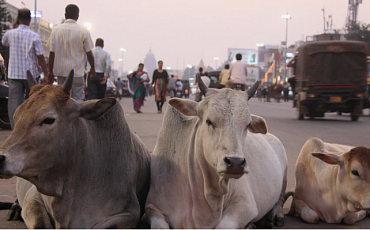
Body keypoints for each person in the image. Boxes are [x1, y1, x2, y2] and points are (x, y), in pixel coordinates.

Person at [1, 8, 48, 129]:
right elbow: (40, 57)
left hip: (14, 74)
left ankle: (16, 129)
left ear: (18, 18)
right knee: (34, 102)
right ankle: (33, 128)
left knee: (14, 104)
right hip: (30, 75)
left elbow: (4, 43)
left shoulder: (10, 34)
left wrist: (14, 26)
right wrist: (47, 73)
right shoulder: (34, 36)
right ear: (29, 20)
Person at [47, 4, 95, 103]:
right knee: (77, 97)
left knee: (62, 97)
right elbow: (89, 54)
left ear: (65, 15)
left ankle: (64, 118)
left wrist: (50, 71)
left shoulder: (56, 30)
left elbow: (52, 53)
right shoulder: (83, 31)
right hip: (77, 72)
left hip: (61, 71)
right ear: (78, 16)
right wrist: (93, 68)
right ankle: (76, 118)